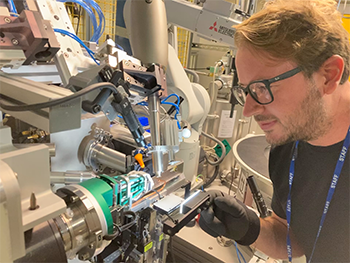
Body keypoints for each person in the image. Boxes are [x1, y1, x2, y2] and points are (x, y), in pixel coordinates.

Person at [198, 0, 350, 262]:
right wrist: (248, 226)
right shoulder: (286, 147)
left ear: (328, 75)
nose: (248, 109)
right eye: (246, 89)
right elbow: (293, 237)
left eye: (262, 88)